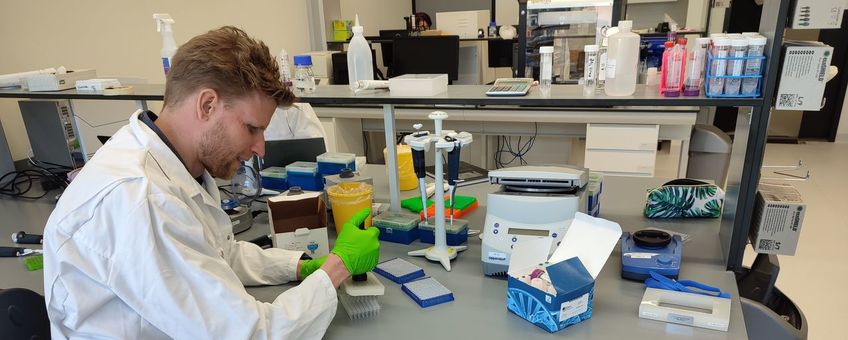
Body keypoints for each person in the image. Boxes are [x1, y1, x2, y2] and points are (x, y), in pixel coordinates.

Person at [42, 26, 380, 339]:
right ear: (207, 105)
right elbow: (250, 334)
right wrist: (337, 267)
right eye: (252, 128)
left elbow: (218, 252)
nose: (260, 148)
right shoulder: (141, 200)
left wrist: (300, 267)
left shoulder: (175, 162)